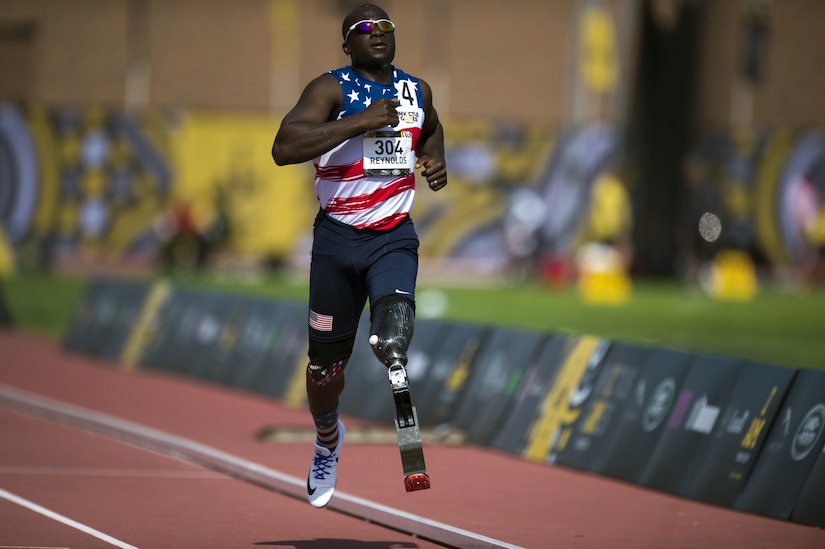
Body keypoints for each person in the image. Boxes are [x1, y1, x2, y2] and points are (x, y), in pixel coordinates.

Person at [271, 3, 447, 508]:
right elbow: (284, 147)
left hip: (392, 235)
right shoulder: (331, 88)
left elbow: (431, 127)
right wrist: (359, 122)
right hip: (335, 240)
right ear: (346, 44)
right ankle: (328, 439)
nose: (377, 34)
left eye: (385, 27)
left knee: (392, 336)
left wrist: (435, 158)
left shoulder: (417, 90)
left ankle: (393, 355)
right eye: (363, 29)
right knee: (324, 370)